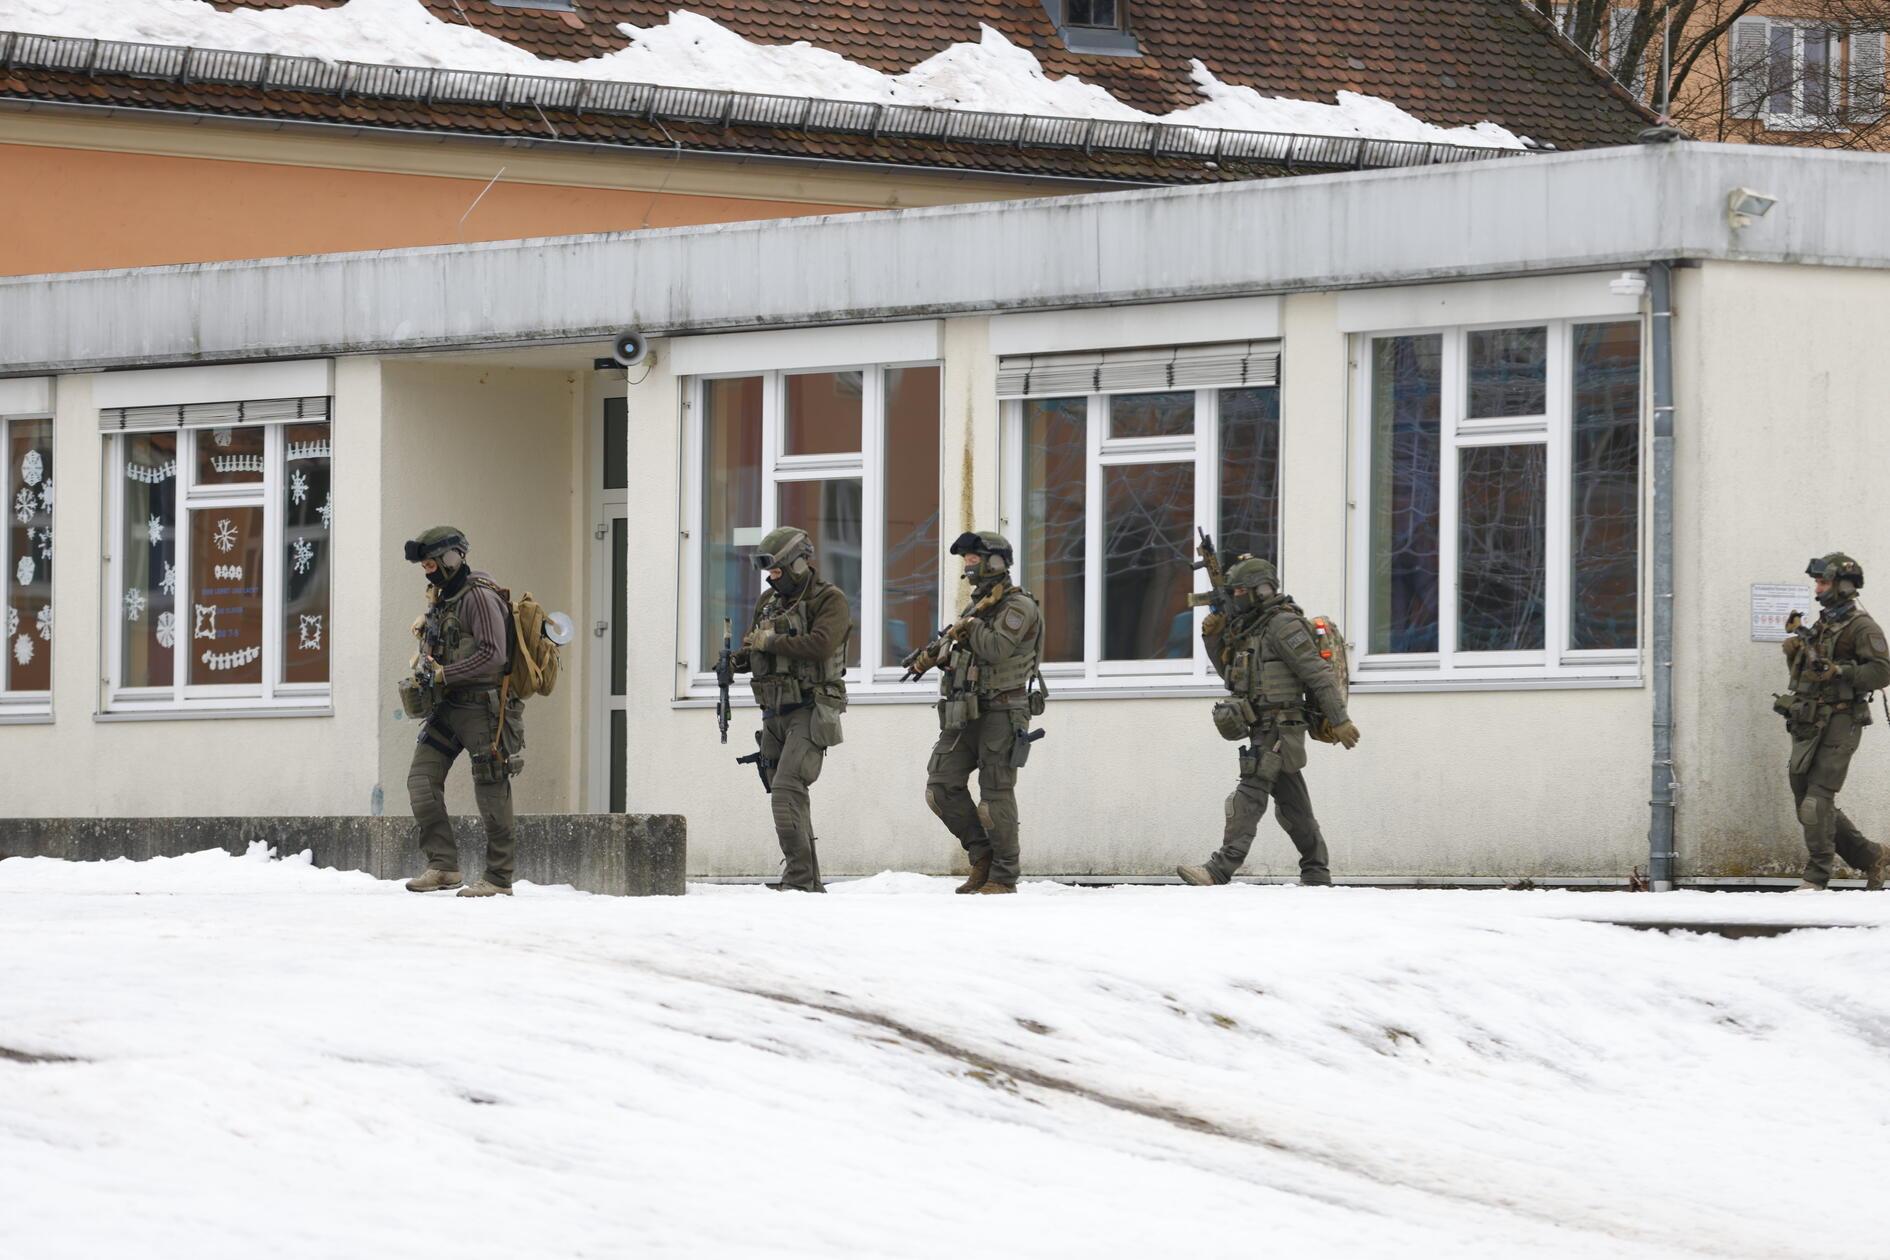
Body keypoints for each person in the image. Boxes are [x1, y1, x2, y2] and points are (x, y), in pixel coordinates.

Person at [1177, 557, 1359, 888]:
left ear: (1261, 590)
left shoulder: (1283, 625)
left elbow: (1317, 674)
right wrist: (1213, 638)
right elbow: (1231, 677)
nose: (1236, 597)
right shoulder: (1251, 628)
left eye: (1240, 591)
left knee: (1250, 792)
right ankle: (1316, 871)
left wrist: (1340, 719)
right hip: (1260, 724)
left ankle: (1219, 869)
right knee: (1294, 808)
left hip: (1280, 725)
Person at [401, 527, 525, 897]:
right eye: (424, 566)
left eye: (430, 564)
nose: (427, 572)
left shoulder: (479, 597)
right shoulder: (443, 599)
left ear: (451, 558)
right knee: (421, 781)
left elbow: (493, 655)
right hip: (447, 706)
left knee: (490, 789)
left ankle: (499, 878)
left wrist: (445, 674)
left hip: (482, 709)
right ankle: (443, 866)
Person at [922, 531, 1044, 896]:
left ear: (995, 561)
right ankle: (983, 857)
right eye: (966, 560)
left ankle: (1004, 875)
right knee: (940, 787)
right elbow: (965, 650)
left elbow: (995, 649)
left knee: (995, 796)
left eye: (974, 558)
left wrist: (970, 626)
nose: (968, 565)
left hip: (1004, 711)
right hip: (967, 708)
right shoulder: (977, 606)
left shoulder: (1018, 606)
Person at [730, 526, 849, 893]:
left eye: (778, 570)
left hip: (811, 707)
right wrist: (734, 661)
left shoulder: (829, 599)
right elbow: (754, 646)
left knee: (786, 789)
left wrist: (771, 641)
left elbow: (821, 645)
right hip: (774, 711)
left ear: (799, 562)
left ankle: (797, 882)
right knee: (787, 795)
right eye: (770, 571)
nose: (772, 577)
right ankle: (809, 884)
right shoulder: (769, 601)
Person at [1777, 552, 1890, 891]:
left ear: (1843, 586)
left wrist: (1840, 671)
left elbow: (1882, 671)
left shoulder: (1862, 627)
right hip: (1808, 721)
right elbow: (1810, 674)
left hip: (1842, 720)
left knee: (1816, 801)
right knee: (1806, 800)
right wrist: (1795, 653)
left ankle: (1816, 877)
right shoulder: (1824, 624)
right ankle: (1873, 856)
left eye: (1823, 582)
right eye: (1817, 582)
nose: (1817, 588)